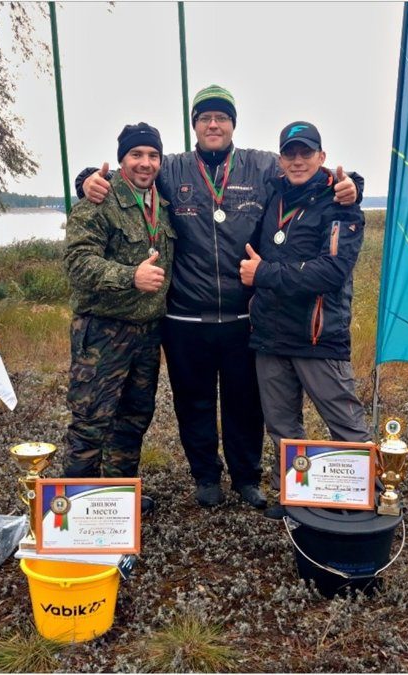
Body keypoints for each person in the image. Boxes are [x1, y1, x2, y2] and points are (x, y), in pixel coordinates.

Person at [77, 86, 361, 511]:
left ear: (233, 124)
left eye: (222, 117)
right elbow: (127, 172)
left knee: (245, 405)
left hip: (244, 317)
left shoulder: (263, 165)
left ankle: (248, 478)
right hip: (185, 319)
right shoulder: (171, 168)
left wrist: (353, 184)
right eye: (205, 117)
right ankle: (205, 477)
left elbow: (312, 175)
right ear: (194, 126)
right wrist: (85, 179)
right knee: (194, 404)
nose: (214, 124)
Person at [239, 121, 371, 520]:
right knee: (282, 426)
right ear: (280, 159)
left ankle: (368, 495)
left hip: (318, 337)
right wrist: (88, 179)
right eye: (290, 153)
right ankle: (294, 496)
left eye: (306, 153)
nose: (298, 161)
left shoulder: (340, 206)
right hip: (270, 336)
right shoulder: (271, 193)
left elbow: (331, 273)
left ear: (322, 158)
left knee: (344, 422)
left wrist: (263, 275)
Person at [61, 122, 175, 515]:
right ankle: (74, 511)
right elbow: (78, 263)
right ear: (122, 159)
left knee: (133, 420)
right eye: (136, 155)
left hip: (147, 335)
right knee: (91, 421)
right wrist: (131, 276)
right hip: (103, 332)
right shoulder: (98, 200)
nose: (146, 163)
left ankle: (115, 503)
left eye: (153, 155)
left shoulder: (163, 201)